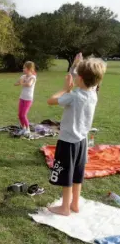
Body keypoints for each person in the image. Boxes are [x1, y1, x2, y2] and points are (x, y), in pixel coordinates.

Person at [47, 58, 106, 216]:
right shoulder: (93, 92)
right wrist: (75, 67)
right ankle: (75, 204)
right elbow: (87, 78)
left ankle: (65, 208)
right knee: (77, 174)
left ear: (80, 78)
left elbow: (50, 100)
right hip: (82, 142)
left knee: (66, 174)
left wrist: (65, 88)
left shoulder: (73, 96)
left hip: (68, 142)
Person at [14, 61, 37, 135]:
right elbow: (16, 83)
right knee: (19, 115)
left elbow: (29, 84)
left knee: (23, 115)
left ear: (29, 69)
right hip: (22, 97)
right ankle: (23, 128)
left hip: (28, 98)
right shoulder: (23, 76)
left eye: (24, 68)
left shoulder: (33, 77)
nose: (23, 69)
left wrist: (21, 83)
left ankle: (28, 129)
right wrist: (18, 83)